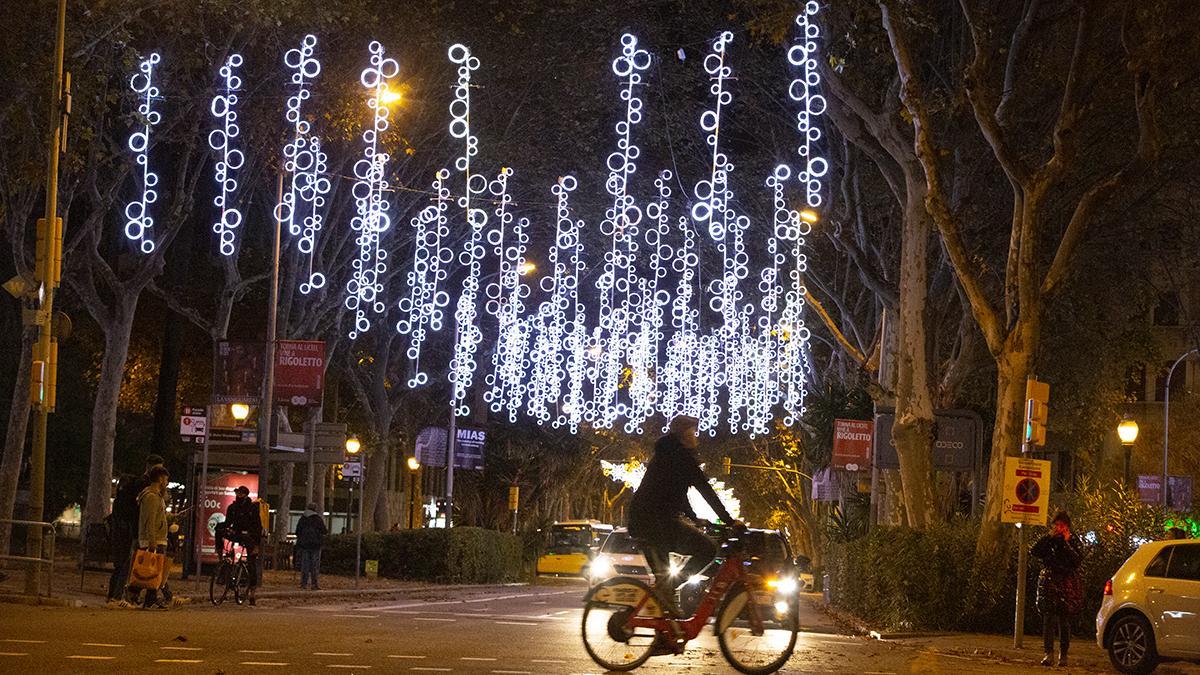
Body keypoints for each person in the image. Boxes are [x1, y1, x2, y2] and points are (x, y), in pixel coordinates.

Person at [628, 415, 740, 609]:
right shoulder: (682, 458)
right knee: (707, 549)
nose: (696, 437)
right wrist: (729, 521)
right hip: (655, 523)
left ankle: (664, 626)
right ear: (684, 435)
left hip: (648, 520)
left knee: (665, 590)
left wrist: (694, 518)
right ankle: (666, 592)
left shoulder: (667, 455)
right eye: (693, 432)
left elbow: (675, 493)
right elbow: (705, 489)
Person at [108, 454, 164, 605]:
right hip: (135, 530)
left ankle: (117, 595)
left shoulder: (136, 484)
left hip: (128, 527)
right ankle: (120, 596)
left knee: (126, 564)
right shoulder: (145, 486)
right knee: (130, 564)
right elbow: (146, 513)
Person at [1031, 511, 1083, 667]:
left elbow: (1077, 560)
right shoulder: (1049, 540)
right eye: (1056, 525)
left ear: (1067, 527)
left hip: (1066, 583)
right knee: (1048, 619)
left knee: (1064, 620)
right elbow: (1035, 551)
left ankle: (1063, 655)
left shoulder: (1073, 541)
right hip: (1049, 581)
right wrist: (1049, 538)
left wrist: (1066, 544)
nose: (1059, 528)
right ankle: (1049, 653)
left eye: (1062, 526)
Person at [216, 485, 263, 605]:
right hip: (236, 534)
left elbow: (257, 526)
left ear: (246, 495)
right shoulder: (232, 507)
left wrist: (256, 544)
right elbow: (228, 522)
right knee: (219, 532)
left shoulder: (252, 508)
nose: (238, 495)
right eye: (237, 493)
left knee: (251, 562)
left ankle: (252, 593)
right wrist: (221, 527)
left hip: (249, 536)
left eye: (241, 493)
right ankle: (221, 558)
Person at [132, 466, 171, 610]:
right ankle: (138, 594)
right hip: (155, 539)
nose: (167, 482)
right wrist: (152, 541)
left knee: (153, 570)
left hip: (156, 537)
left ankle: (148, 598)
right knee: (152, 570)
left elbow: (156, 518)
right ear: (160, 479)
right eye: (166, 479)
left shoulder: (155, 496)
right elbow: (150, 520)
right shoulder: (152, 497)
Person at [295, 503, 327, 591]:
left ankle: (303, 584)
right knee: (315, 565)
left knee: (305, 565)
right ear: (315, 509)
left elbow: (297, 531)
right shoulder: (318, 519)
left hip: (305, 546)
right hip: (316, 545)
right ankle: (314, 584)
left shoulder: (303, 519)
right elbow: (324, 531)